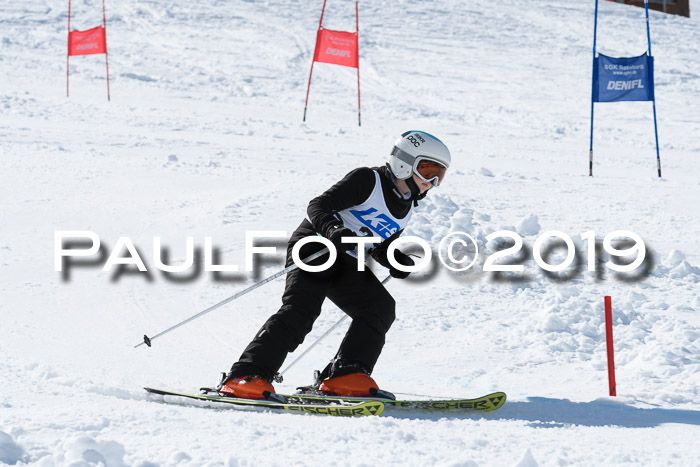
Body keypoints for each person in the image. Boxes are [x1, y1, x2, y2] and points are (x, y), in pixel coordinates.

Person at [218, 130, 451, 399]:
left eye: (439, 175)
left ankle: (345, 376)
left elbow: (376, 244)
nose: (431, 181)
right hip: (315, 245)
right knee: (301, 311)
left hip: (346, 260)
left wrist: (393, 259)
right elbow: (318, 206)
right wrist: (334, 230)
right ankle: (245, 376)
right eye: (427, 169)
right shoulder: (368, 179)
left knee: (379, 307)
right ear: (405, 162)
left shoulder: (406, 208)